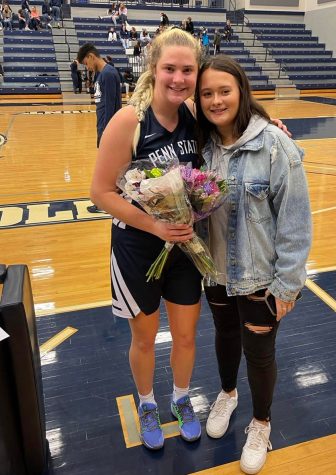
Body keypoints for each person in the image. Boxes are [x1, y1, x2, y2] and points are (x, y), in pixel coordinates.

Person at [194, 55, 312, 474]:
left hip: (259, 276)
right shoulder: (201, 145)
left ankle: (260, 422)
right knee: (225, 336)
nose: (215, 100)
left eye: (224, 90)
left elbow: (296, 223)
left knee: (259, 354)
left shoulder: (275, 145)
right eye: (206, 93)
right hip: (215, 271)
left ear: (241, 91)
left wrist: (287, 285)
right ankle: (228, 392)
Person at [87, 28, 203, 450]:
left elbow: (238, 114)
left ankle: (182, 398)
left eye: (187, 70)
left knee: (187, 336)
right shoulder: (129, 121)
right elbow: (100, 193)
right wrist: (154, 226)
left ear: (196, 73)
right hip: (138, 247)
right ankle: (148, 403)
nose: (178, 78)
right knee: (144, 337)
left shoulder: (195, 114)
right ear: (153, 69)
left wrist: (271, 122)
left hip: (185, 247)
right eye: (170, 68)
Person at [77, 43, 121, 213]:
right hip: (102, 127)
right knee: (110, 169)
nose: (87, 67)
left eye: (86, 63)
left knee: (107, 170)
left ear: (91, 57)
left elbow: (111, 107)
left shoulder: (108, 74)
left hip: (108, 130)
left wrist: (106, 135)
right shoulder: (102, 74)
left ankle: (105, 202)